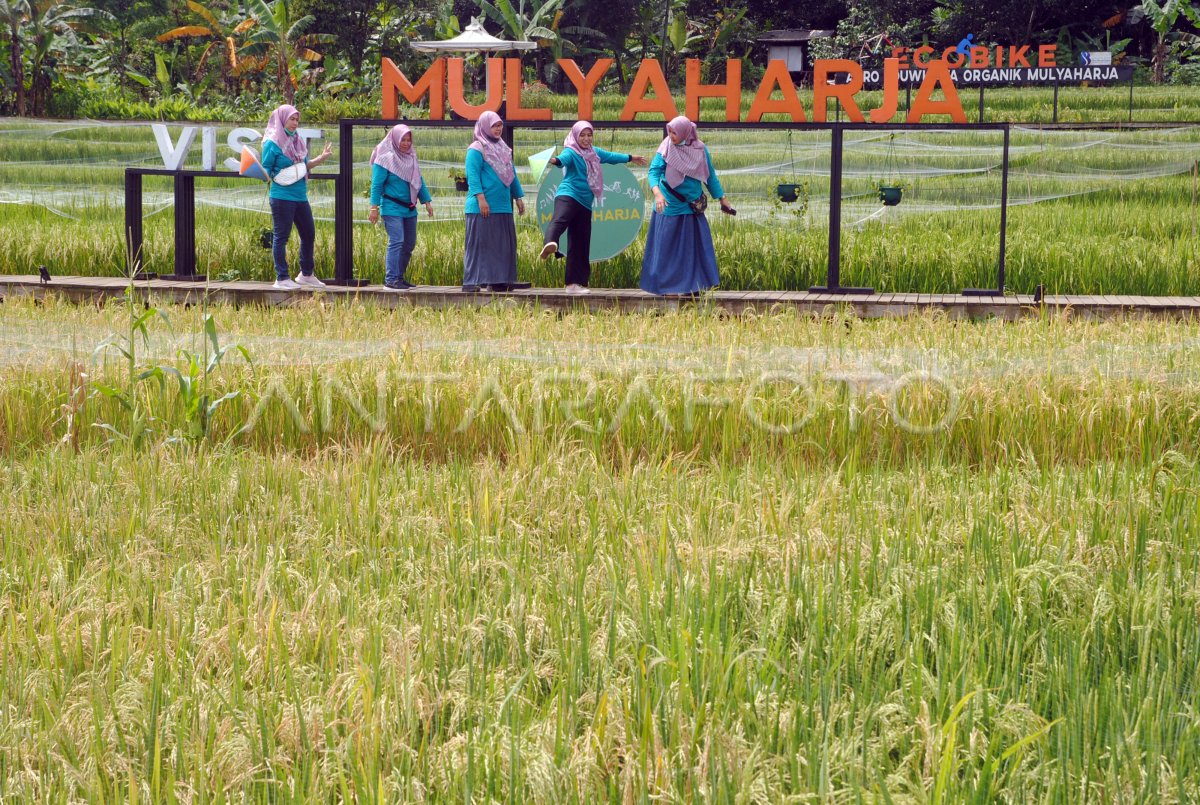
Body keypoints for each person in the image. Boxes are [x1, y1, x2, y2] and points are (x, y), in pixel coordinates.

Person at [538, 121, 647, 294]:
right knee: (559, 220)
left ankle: (574, 285)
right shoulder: (571, 152)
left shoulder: (594, 153)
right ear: (575, 136)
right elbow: (561, 160)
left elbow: (612, 157)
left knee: (580, 244)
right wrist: (552, 160)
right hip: (568, 195)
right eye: (582, 135)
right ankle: (550, 244)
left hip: (585, 202)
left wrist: (631, 157)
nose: (586, 139)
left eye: (589, 135)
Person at [640, 115, 733, 297]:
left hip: (691, 208)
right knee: (667, 250)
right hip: (668, 206)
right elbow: (654, 172)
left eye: (675, 132)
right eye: (670, 131)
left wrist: (722, 198)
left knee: (693, 251)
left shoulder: (699, 149)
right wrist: (657, 194)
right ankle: (668, 288)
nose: (672, 136)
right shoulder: (666, 146)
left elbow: (710, 176)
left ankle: (694, 287)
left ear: (686, 132)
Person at [261, 103, 334, 290]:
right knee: (281, 236)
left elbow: (304, 166)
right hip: (281, 196)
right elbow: (266, 171)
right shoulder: (272, 143)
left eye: (297, 120)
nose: (295, 123)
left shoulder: (296, 141)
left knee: (309, 233)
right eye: (291, 119)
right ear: (282, 119)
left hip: (300, 195)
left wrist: (321, 158)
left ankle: (306, 274)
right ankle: (282, 277)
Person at [462, 111, 526, 293]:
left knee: (502, 245)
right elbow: (472, 176)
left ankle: (498, 280)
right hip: (482, 206)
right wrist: (481, 199)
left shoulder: (503, 148)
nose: (498, 129)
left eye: (499, 125)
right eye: (494, 126)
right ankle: (471, 281)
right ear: (484, 126)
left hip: (503, 205)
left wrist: (518, 197)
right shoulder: (476, 148)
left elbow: (511, 174)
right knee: (480, 245)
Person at [367, 124, 434, 290]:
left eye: (408, 140)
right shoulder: (384, 159)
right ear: (395, 140)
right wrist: (374, 208)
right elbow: (376, 185)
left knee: (409, 243)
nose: (405, 143)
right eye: (402, 140)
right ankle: (390, 279)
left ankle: (399, 277)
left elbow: (418, 180)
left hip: (409, 208)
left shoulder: (411, 157)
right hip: (391, 207)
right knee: (397, 240)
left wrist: (426, 201)